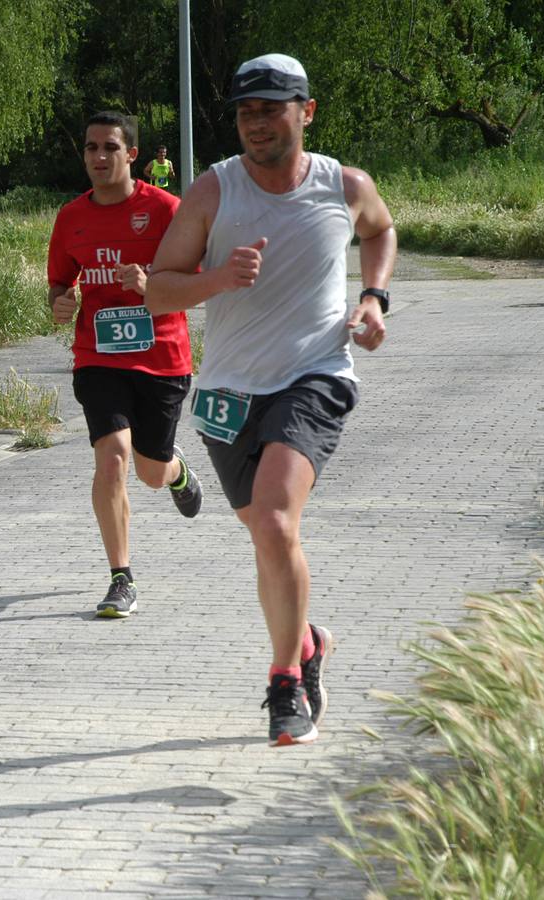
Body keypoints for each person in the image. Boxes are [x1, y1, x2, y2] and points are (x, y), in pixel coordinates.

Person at [144, 54, 396, 746]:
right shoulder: (211, 192)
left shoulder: (342, 185)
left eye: (270, 108)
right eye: (244, 111)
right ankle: (307, 641)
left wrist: (373, 297)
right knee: (264, 533)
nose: (255, 123)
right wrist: (217, 279)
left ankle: (284, 682)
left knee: (278, 522)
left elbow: (378, 229)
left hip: (315, 376)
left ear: (304, 111)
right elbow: (157, 288)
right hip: (227, 391)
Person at [47, 111, 203, 620]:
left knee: (150, 472)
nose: (98, 157)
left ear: (132, 154)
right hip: (98, 356)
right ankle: (121, 577)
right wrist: (60, 303)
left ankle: (176, 472)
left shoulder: (165, 210)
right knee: (111, 455)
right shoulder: (71, 217)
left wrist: (151, 286)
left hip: (161, 357)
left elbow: (196, 284)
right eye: (91, 148)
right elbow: (58, 283)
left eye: (109, 147)